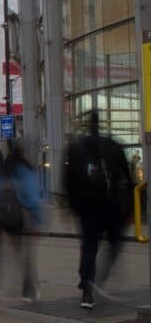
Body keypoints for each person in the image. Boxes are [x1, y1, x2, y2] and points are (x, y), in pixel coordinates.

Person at [64, 110, 133, 310]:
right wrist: (130, 209)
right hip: (110, 207)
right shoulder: (113, 146)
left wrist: (71, 206)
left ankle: (87, 286)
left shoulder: (76, 148)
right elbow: (127, 179)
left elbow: (68, 180)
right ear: (100, 124)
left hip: (87, 207)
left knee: (89, 247)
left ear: (87, 124)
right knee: (113, 243)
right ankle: (98, 278)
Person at [0, 143, 42, 315]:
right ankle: (29, 292)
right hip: (17, 217)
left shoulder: (3, 168)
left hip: (0, 215)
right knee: (23, 255)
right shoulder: (23, 168)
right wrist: (37, 220)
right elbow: (32, 197)